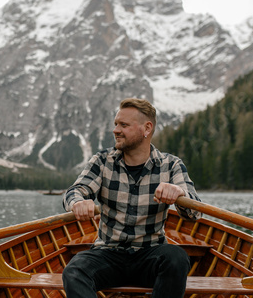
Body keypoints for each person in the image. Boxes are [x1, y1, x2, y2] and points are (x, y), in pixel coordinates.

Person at [62, 98, 202, 298]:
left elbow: (194, 212)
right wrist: (77, 202)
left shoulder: (171, 165)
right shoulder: (102, 161)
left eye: (123, 125)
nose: (115, 130)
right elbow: (75, 190)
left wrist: (179, 193)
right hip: (108, 255)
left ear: (147, 128)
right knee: (74, 271)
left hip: (150, 255)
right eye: (116, 124)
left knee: (176, 258)